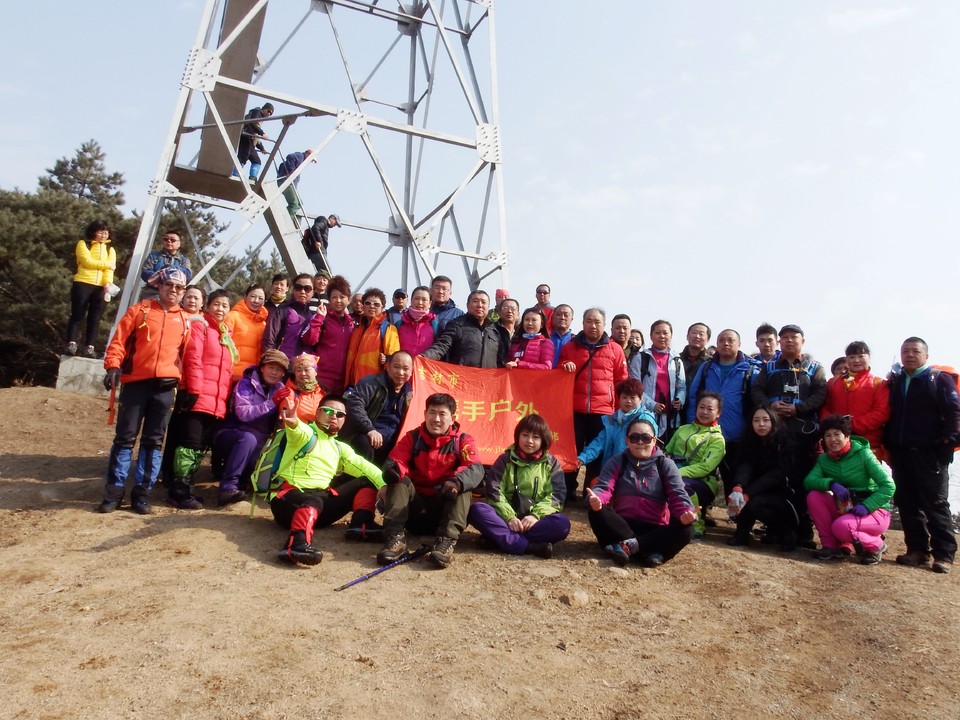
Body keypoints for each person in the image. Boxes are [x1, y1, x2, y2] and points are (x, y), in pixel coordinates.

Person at [97, 268, 189, 514]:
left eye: (179, 288)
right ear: (160, 286)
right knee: (125, 439)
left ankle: (141, 494)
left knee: (153, 442)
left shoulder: (185, 320)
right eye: (169, 285)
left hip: (165, 389)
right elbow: (118, 340)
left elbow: (186, 357)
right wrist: (113, 366)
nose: (174, 290)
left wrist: (186, 385)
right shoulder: (140, 310)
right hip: (136, 384)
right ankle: (114, 493)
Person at [267, 393, 386, 565]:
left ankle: (362, 524)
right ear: (317, 413)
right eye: (328, 411)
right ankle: (296, 544)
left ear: (344, 420)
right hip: (286, 503)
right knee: (312, 499)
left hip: (319, 507)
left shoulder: (339, 448)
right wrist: (292, 421)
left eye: (340, 414)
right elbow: (297, 429)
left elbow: (367, 468)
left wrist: (386, 485)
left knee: (368, 479)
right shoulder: (306, 434)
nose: (334, 417)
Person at [377, 393, 484, 569]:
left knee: (463, 487)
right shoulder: (412, 437)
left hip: (444, 509)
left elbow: (474, 467)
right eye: (432, 413)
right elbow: (397, 460)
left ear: (452, 418)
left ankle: (446, 543)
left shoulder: (463, 441)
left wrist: (456, 482)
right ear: (425, 414)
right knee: (399, 480)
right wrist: (393, 471)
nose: (436, 419)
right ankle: (395, 538)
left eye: (442, 414)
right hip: (415, 511)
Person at [885, 337, 960, 574]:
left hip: (931, 453)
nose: (909, 355)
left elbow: (954, 412)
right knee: (907, 503)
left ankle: (943, 555)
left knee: (935, 503)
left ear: (925, 355)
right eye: (905, 351)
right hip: (901, 450)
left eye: (915, 351)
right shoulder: (896, 381)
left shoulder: (938, 379)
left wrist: (948, 442)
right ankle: (917, 550)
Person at [749, 324, 827, 547]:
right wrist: (769, 406)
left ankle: (804, 531)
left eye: (794, 337)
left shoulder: (814, 367)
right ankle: (775, 528)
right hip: (775, 433)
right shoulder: (770, 365)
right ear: (779, 342)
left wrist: (798, 409)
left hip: (803, 434)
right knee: (775, 477)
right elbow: (757, 390)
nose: (789, 341)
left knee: (802, 480)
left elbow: (821, 392)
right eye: (785, 338)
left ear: (803, 340)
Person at [585, 417, 698, 567]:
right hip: (622, 525)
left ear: (654, 441)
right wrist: (597, 499)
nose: (640, 442)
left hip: (655, 528)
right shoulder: (617, 461)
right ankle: (650, 552)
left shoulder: (665, 464)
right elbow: (604, 487)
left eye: (645, 438)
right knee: (596, 511)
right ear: (627, 440)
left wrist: (685, 512)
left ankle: (625, 547)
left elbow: (677, 493)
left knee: (687, 530)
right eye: (634, 437)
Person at [164, 289, 238, 509]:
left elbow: (225, 373)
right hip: (198, 397)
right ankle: (178, 491)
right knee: (189, 446)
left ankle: (186, 489)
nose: (220, 309)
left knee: (198, 448)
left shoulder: (225, 335)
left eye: (225, 305)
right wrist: (194, 391)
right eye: (216, 304)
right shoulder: (200, 327)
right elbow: (193, 360)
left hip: (215, 401)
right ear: (207, 307)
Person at [468, 414, 570, 558]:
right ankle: (530, 547)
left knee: (562, 524)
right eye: (525, 435)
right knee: (477, 510)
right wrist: (510, 517)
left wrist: (535, 516)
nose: (529, 441)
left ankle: (500, 540)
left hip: (535, 523)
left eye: (536, 437)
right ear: (518, 436)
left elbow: (556, 497)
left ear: (543, 440)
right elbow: (494, 492)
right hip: (505, 519)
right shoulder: (504, 460)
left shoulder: (551, 464)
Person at [559, 307, 629, 500]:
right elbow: (557, 374)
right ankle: (567, 490)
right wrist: (564, 366)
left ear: (604, 325)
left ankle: (591, 493)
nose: (593, 325)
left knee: (597, 455)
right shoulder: (570, 347)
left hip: (603, 412)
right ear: (582, 324)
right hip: (574, 410)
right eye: (589, 321)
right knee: (571, 451)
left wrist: (618, 410)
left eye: (597, 322)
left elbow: (621, 381)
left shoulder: (615, 349)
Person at [805, 415, 895, 564]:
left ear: (847, 436)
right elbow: (809, 481)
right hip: (846, 508)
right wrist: (831, 483)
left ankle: (877, 545)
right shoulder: (824, 459)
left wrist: (867, 506)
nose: (832, 439)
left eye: (837, 434)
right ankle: (830, 546)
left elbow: (888, 486)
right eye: (828, 435)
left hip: (873, 511)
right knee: (814, 496)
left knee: (841, 527)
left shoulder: (864, 455)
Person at [211, 349, 288, 506]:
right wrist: (272, 402)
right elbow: (243, 413)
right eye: (271, 367)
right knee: (248, 438)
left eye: (279, 369)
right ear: (262, 367)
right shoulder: (246, 383)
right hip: (231, 434)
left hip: (259, 441)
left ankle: (241, 485)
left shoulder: (280, 388)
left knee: (262, 444)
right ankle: (227, 487)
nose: (274, 372)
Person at [685, 328, 759, 490]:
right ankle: (700, 511)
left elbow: (757, 402)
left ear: (739, 344)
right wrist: (692, 426)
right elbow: (693, 398)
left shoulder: (750, 369)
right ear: (716, 344)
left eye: (730, 340)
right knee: (701, 476)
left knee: (734, 478)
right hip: (705, 435)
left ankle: (736, 514)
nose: (726, 343)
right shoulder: (706, 368)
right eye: (721, 340)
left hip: (737, 437)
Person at [726, 406, 801, 551]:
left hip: (786, 497)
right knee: (741, 493)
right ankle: (742, 533)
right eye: (756, 420)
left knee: (755, 501)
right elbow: (745, 465)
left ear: (774, 421)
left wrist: (747, 494)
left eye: (766, 420)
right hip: (760, 491)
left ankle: (787, 533)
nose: (761, 424)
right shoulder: (749, 441)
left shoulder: (785, 443)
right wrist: (738, 487)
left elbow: (776, 475)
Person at [664, 391, 726, 537]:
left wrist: (677, 473)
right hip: (675, 474)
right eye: (701, 407)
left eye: (710, 409)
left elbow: (705, 467)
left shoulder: (717, 439)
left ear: (718, 413)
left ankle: (697, 525)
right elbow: (666, 451)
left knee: (681, 484)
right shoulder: (682, 429)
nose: (704, 412)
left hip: (703, 483)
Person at [340, 350, 414, 465]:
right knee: (364, 444)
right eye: (396, 367)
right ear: (388, 366)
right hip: (366, 435)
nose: (400, 372)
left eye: (405, 369)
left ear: (411, 371)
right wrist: (369, 429)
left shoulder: (410, 394)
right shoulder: (370, 382)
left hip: (391, 444)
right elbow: (355, 405)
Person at [820, 341, 889, 460]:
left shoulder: (879, 383)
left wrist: (851, 426)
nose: (856, 360)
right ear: (846, 359)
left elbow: (882, 412)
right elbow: (824, 407)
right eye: (852, 357)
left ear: (869, 358)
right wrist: (835, 427)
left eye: (861, 356)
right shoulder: (832, 382)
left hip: (868, 444)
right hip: (837, 444)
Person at [578, 379, 656, 472]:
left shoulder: (645, 419)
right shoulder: (612, 420)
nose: (628, 401)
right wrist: (583, 458)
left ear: (641, 399)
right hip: (613, 470)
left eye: (632, 397)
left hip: (637, 471)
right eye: (625, 397)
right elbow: (598, 443)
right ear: (618, 398)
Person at [66, 219, 117, 358]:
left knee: (95, 319)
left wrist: (107, 284)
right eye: (100, 232)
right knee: (77, 315)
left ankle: (89, 347)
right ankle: (71, 344)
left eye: (106, 232)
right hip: (83, 282)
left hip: (101, 287)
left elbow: (110, 271)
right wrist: (107, 264)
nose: (104, 235)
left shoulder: (110, 249)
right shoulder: (84, 244)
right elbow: (87, 262)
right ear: (93, 232)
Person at [629, 319, 686, 440]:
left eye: (665, 333)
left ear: (671, 336)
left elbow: (682, 387)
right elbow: (635, 388)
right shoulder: (641, 358)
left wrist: (680, 400)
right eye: (657, 333)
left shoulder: (677, 361)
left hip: (670, 417)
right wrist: (652, 405)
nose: (662, 336)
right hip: (645, 414)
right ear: (651, 336)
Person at [299, 274, 354, 394]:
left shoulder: (352, 324)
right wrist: (319, 318)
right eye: (334, 297)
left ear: (348, 300)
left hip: (342, 384)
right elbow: (310, 340)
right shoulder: (322, 318)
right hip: (321, 379)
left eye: (342, 297)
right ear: (329, 299)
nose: (338, 300)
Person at [421, 290, 505, 368]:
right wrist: (423, 357)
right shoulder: (457, 325)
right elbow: (441, 346)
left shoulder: (495, 330)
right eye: (475, 301)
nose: (480, 305)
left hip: (488, 381)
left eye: (484, 302)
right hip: (462, 380)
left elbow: (500, 360)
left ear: (488, 306)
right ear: (467, 305)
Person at [344, 288, 400, 387]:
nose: (372, 306)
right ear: (363, 306)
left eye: (376, 304)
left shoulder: (388, 329)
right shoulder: (357, 329)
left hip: (373, 387)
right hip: (353, 386)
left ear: (383, 308)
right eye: (368, 303)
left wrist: (386, 359)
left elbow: (393, 360)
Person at [261, 272, 314, 360]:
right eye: (298, 288)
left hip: (302, 368)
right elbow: (269, 339)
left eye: (307, 288)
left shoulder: (313, 317)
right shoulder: (282, 310)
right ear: (293, 290)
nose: (302, 291)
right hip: (281, 365)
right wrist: (269, 361)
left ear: (313, 292)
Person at [224, 284, 268, 381]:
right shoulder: (233, 316)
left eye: (260, 298)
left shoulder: (263, 324)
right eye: (253, 296)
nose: (256, 301)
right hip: (232, 375)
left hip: (253, 378)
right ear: (245, 297)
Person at [139, 230, 192, 301]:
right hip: (153, 293)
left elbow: (187, 275)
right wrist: (164, 275)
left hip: (174, 295)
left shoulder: (184, 260)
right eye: (166, 239)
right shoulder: (153, 256)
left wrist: (169, 269)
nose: (169, 241)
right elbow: (145, 273)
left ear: (179, 244)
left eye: (173, 240)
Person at [233, 102, 274, 181]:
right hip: (246, 137)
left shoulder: (260, 117)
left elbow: (255, 134)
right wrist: (262, 133)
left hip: (252, 141)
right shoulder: (256, 112)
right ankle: (235, 174)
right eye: (269, 111)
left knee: (257, 161)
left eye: (271, 113)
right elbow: (252, 123)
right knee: (242, 157)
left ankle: (253, 177)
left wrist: (261, 147)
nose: (269, 114)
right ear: (264, 108)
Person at [395, 285, 437, 358]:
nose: (420, 302)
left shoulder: (435, 325)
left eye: (424, 300)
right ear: (411, 301)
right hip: (404, 368)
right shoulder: (400, 324)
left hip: (425, 368)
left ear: (430, 303)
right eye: (416, 298)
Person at [275, 148, 313, 223]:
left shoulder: (301, 160)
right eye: (311, 159)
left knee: (300, 203)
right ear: (307, 154)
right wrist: (290, 172)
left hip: (290, 184)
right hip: (286, 182)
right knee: (294, 204)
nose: (310, 161)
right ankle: (286, 220)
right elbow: (290, 156)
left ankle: (287, 215)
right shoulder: (300, 156)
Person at [679, 323, 711, 406]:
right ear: (687, 336)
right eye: (694, 332)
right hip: (676, 407)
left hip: (700, 408)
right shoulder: (676, 360)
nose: (697, 336)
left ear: (708, 340)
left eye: (701, 334)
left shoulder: (710, 363)